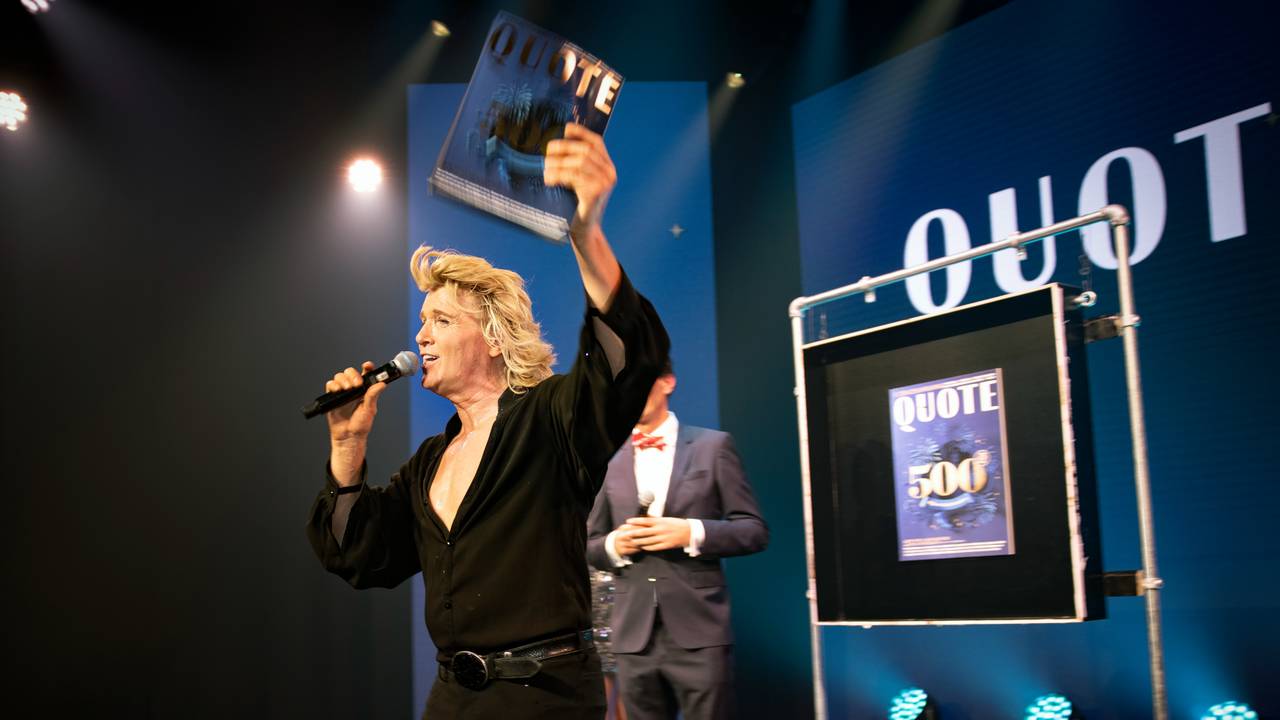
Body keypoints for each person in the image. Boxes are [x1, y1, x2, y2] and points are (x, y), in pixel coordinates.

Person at [306, 123, 669, 719]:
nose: (421, 335)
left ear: (495, 339)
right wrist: (347, 444)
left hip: (545, 699)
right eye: (422, 321)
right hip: (454, 699)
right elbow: (359, 556)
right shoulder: (428, 463)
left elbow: (627, 359)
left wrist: (585, 233)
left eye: (442, 321)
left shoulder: (551, 419)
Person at [586, 363, 769, 720]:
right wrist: (615, 545)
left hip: (699, 631)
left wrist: (692, 532)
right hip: (633, 636)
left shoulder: (713, 446)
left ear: (666, 381)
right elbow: (590, 544)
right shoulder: (608, 460)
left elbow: (753, 530)